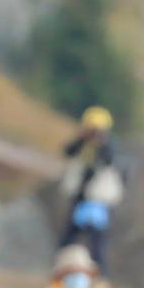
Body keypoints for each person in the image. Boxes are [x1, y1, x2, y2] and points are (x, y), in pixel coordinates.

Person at [60, 105, 121, 274]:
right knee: (69, 238)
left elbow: (110, 161)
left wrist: (101, 143)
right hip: (79, 197)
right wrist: (81, 139)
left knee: (97, 241)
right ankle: (63, 268)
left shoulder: (109, 146)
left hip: (97, 201)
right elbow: (67, 152)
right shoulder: (82, 144)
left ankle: (99, 274)